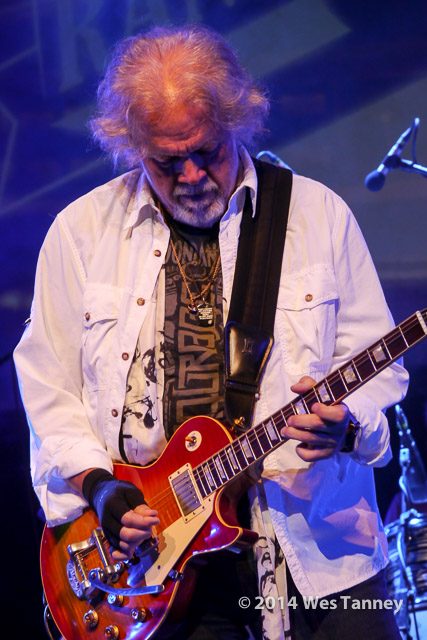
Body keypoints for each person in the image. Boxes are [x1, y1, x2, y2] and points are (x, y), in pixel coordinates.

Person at [14, 24, 409, 640]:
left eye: (208, 151)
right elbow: (48, 387)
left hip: (322, 555)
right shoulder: (79, 234)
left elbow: (380, 369)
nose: (193, 174)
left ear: (237, 121)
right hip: (157, 571)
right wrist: (98, 486)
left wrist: (348, 425)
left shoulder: (318, 216)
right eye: (167, 161)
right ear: (131, 145)